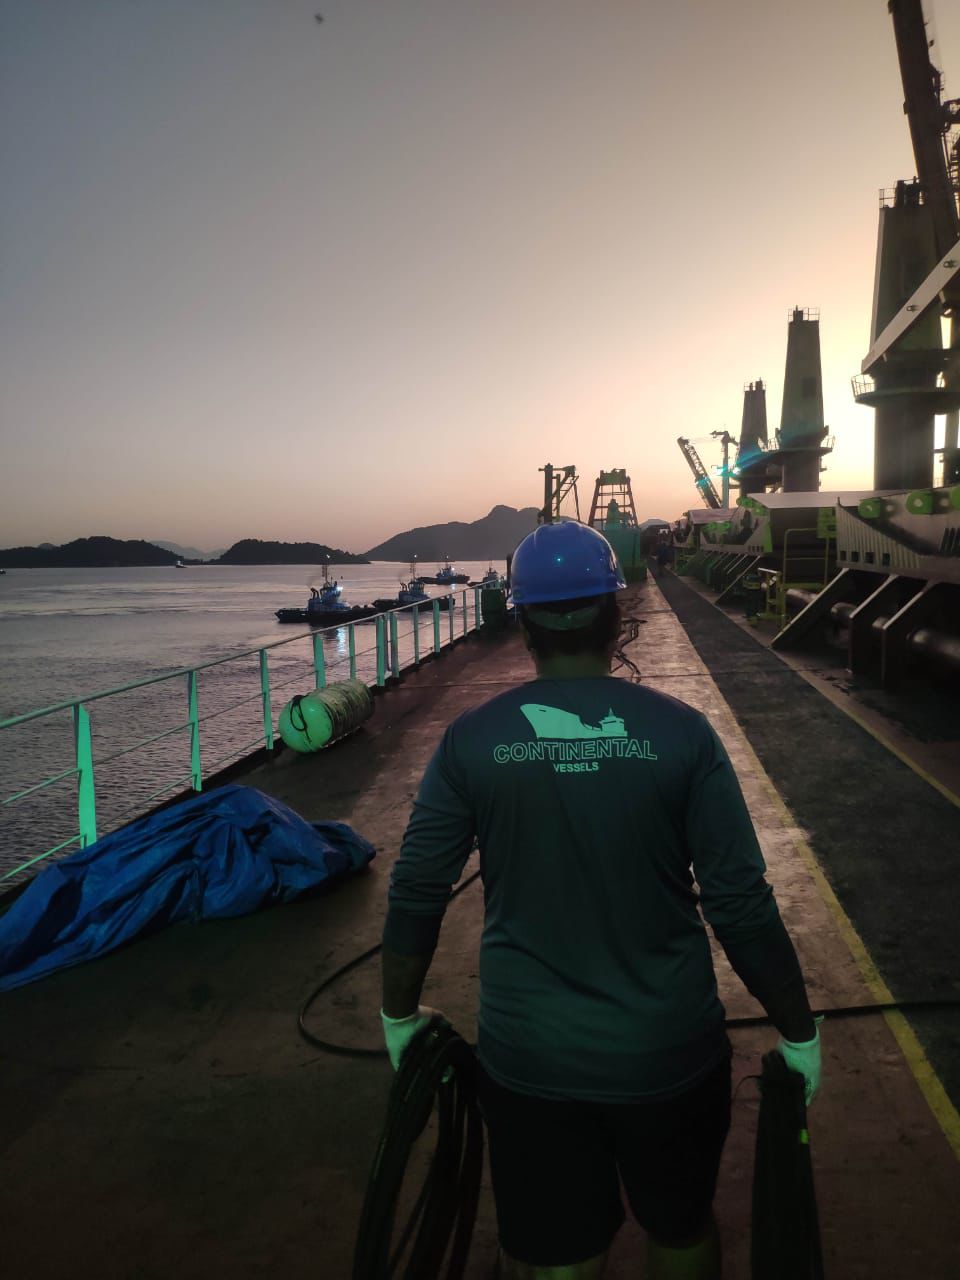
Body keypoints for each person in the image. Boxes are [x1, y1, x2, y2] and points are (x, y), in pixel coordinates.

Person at [380, 521, 820, 1280]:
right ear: (616, 615)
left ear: (521, 621)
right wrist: (798, 1030)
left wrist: (398, 1017)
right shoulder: (684, 735)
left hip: (529, 1059)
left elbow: (418, 889)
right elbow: (739, 903)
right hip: (669, 1053)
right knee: (680, 1227)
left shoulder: (470, 741)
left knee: (559, 1252)